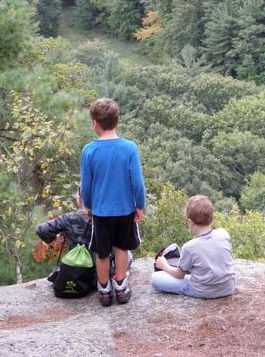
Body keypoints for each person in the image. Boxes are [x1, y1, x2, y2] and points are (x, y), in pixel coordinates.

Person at [81, 97, 145, 306]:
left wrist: (87, 206)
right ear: (118, 121)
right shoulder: (129, 148)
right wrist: (139, 205)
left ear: (95, 124)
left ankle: (104, 290)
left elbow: (86, 185)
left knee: (101, 251)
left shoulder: (89, 151)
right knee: (122, 248)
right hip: (125, 209)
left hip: (100, 211)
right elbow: (137, 182)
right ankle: (120, 284)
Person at [151, 195, 235, 299]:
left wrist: (164, 265)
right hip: (228, 288)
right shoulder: (223, 233)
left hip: (202, 291)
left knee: (155, 278)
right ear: (212, 219)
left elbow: (179, 275)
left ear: (190, 223)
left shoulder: (190, 247)